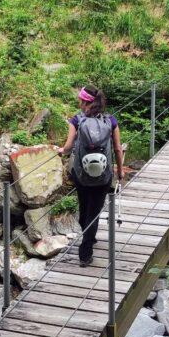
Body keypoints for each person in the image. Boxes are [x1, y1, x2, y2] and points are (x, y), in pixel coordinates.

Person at [57, 85, 125, 265]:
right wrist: (120, 170)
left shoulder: (77, 120)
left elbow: (69, 147)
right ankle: (87, 251)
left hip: (81, 176)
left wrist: (61, 151)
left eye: (80, 99)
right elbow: (117, 148)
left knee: (84, 210)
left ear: (84, 101)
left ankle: (86, 248)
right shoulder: (111, 120)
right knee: (93, 213)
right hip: (103, 177)